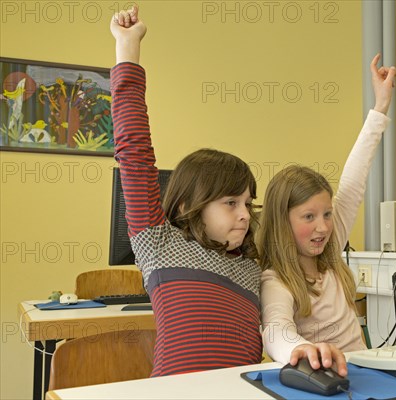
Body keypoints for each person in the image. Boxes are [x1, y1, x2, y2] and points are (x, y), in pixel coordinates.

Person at [110, 6, 262, 377]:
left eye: (247, 203)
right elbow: (134, 151)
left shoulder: (254, 266)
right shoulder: (160, 244)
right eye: (230, 203)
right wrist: (127, 48)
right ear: (188, 205)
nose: (244, 213)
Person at [257, 55, 396, 376]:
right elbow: (276, 329)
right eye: (308, 217)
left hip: (368, 372)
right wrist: (299, 348)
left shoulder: (331, 247)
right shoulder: (277, 280)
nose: (322, 227)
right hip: (334, 377)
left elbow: (354, 177)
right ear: (282, 222)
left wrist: (381, 105)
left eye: (328, 214)